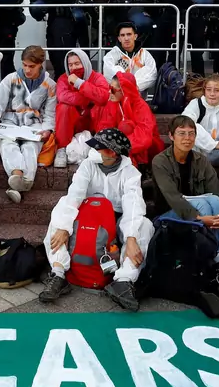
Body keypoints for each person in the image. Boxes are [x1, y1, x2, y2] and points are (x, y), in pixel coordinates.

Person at [39, 128, 151, 311]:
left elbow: (133, 204)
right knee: (60, 210)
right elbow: (74, 195)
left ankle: (123, 281)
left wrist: (130, 238)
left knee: (144, 225)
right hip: (87, 217)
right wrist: (64, 227)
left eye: (99, 148)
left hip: (115, 219)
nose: (93, 151)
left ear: (112, 152)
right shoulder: (88, 165)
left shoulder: (130, 172)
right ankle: (58, 273)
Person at [151, 116, 219, 300]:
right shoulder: (160, 161)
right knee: (203, 204)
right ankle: (215, 266)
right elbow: (173, 198)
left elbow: (217, 191)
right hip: (169, 216)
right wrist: (200, 219)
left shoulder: (201, 160)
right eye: (181, 134)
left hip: (201, 214)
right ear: (171, 136)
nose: (187, 138)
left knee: (216, 201)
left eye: (191, 134)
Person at [0, 46, 56, 204]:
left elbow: (50, 113)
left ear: (40, 64)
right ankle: (20, 177)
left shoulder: (50, 85)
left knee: (30, 148)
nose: (27, 69)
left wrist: (47, 130)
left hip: (34, 125)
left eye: (31, 66)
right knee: (8, 146)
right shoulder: (10, 79)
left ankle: (18, 184)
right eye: (24, 65)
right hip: (10, 122)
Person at [53, 48, 110, 165]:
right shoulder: (63, 79)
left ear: (84, 63)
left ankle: (101, 144)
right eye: (70, 65)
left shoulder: (97, 77)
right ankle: (61, 148)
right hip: (72, 122)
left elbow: (103, 96)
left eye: (77, 63)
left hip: (92, 122)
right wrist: (89, 96)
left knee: (103, 106)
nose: (73, 68)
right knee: (63, 107)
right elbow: (63, 97)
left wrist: (80, 84)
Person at [101, 22, 157, 95]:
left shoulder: (145, 54)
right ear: (119, 38)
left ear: (135, 36)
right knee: (117, 70)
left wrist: (133, 88)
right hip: (118, 99)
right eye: (122, 35)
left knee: (146, 70)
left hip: (139, 99)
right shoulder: (111, 55)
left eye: (129, 34)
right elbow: (108, 75)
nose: (126, 38)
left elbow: (152, 75)